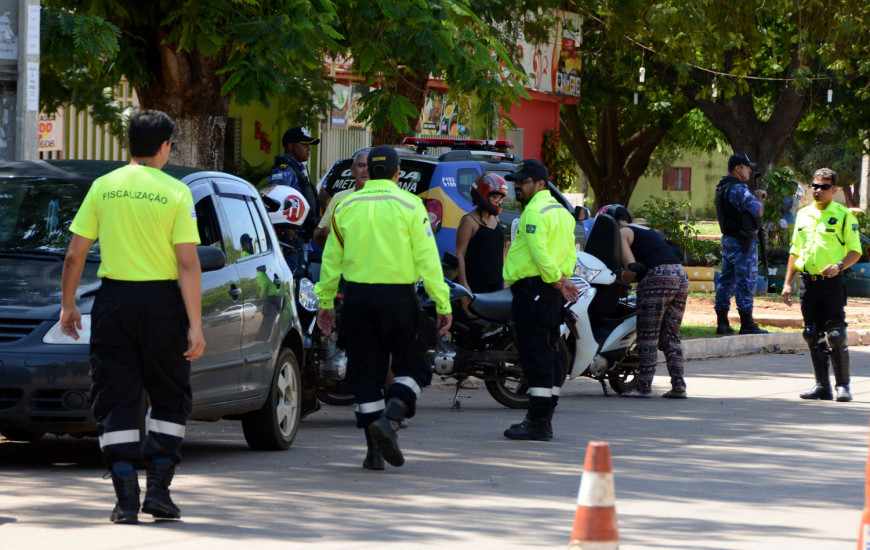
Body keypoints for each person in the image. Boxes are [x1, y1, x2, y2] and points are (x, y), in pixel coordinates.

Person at [59, 109, 205, 524]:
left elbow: (74, 254)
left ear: (129, 145)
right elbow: (188, 264)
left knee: (115, 395)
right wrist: (195, 325)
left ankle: (125, 499)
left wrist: (68, 305)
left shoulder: (104, 187)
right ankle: (159, 492)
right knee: (169, 394)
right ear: (164, 147)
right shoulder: (176, 192)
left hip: (114, 304)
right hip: (162, 307)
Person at [314, 145, 452, 470]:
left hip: (358, 300)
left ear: (368, 171)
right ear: (396, 172)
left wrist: (325, 303)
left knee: (365, 375)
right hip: (399, 300)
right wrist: (443, 302)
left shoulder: (345, 206)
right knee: (415, 366)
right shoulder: (411, 205)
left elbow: (330, 260)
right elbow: (428, 260)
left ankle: (374, 452)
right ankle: (391, 418)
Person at [502, 159, 579, 441]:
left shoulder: (533, 212)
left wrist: (558, 280)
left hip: (535, 288)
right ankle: (545, 414)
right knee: (549, 349)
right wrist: (563, 279)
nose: (517, 186)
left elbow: (538, 251)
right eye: (516, 182)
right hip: (549, 291)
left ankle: (537, 421)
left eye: (523, 182)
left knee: (536, 353)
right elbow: (570, 252)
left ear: (540, 184)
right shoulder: (562, 212)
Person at [782, 168, 862, 402]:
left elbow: (855, 251)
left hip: (832, 283)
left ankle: (842, 386)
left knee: (836, 335)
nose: (817, 190)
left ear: (834, 190)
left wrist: (838, 266)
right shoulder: (803, 214)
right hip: (809, 283)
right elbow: (795, 251)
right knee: (811, 334)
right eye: (815, 186)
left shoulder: (845, 215)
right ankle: (821, 386)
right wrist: (787, 283)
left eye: (824, 187)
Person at [601, 204, 690, 399]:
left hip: (657, 279)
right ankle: (679, 386)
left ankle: (644, 387)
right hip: (680, 275)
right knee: (670, 335)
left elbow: (632, 269)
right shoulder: (647, 229)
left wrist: (620, 287)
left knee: (648, 334)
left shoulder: (622, 232)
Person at [714, 153, 769, 335]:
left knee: (726, 280)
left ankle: (722, 323)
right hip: (742, 242)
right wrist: (760, 197)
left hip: (729, 239)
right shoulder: (738, 188)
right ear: (738, 168)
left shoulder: (723, 186)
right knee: (746, 280)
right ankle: (747, 324)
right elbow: (757, 211)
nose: (750, 170)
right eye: (747, 167)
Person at [268, 126, 322, 266]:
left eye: (309, 145)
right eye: (304, 144)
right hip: (290, 244)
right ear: (291, 146)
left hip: (302, 239)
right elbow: (279, 206)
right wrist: (289, 239)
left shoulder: (296, 168)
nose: (309, 148)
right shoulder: (284, 171)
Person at [455, 173, 508, 293]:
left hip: (497, 282)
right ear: (483, 195)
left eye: (501, 198)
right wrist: (464, 285)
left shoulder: (495, 218)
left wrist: (504, 279)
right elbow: (459, 255)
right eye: (495, 197)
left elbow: (499, 251)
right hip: (477, 284)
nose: (498, 201)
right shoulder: (469, 221)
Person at [313, 147, 370, 249]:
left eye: (370, 166)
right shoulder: (339, 197)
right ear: (352, 170)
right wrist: (327, 233)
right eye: (361, 165)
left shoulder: (388, 199)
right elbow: (319, 235)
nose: (365, 170)